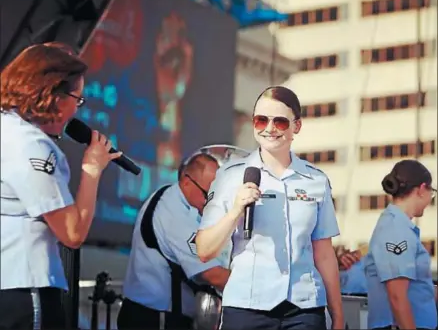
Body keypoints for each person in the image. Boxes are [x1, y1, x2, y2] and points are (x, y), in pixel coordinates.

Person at [196, 86, 344, 330]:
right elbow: (204, 250)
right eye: (261, 120)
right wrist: (235, 211)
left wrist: (337, 315)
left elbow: (324, 254)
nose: (269, 129)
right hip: (246, 306)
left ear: (296, 126)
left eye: (280, 122)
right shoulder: (230, 177)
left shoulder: (316, 180)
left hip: (304, 308)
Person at [0, 43, 121, 330]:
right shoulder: (32, 145)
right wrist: (92, 168)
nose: (74, 111)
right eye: (77, 100)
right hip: (25, 288)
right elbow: (72, 232)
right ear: (54, 95)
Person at [117, 153, 231, 330]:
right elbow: (211, 274)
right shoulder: (174, 212)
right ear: (187, 182)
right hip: (154, 319)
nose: (210, 203)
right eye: (207, 195)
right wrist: (257, 288)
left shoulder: (174, 200)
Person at [364, 159, 438, 330]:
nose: (430, 199)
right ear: (421, 189)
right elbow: (397, 295)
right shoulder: (395, 229)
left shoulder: (400, 226)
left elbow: (417, 289)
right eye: (431, 193)